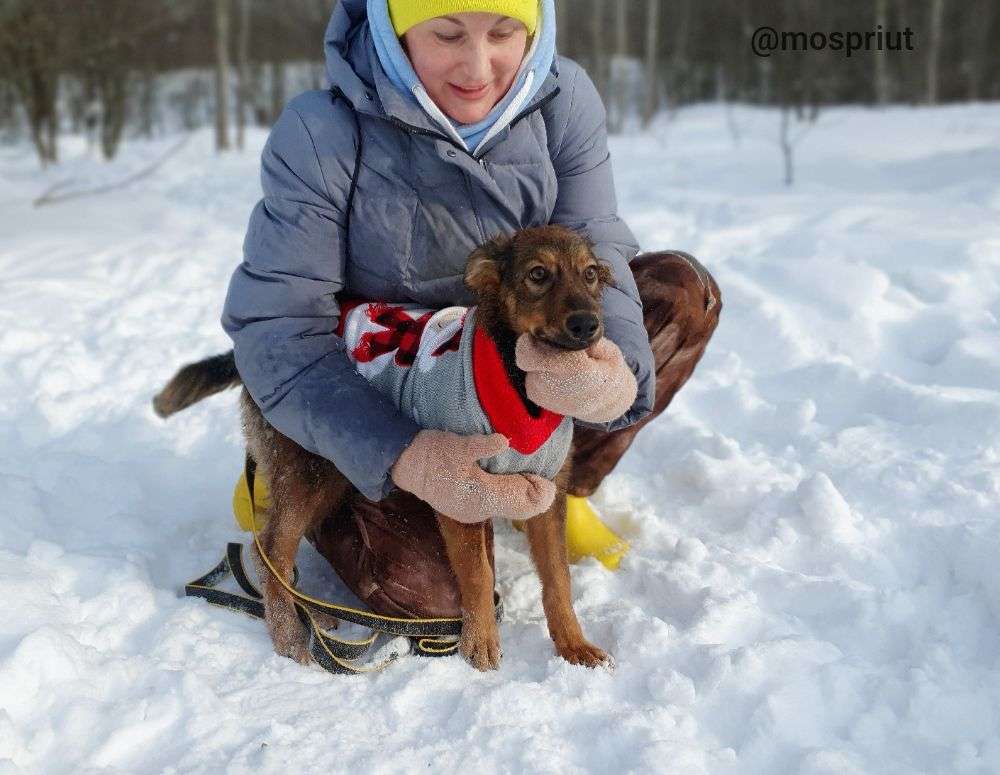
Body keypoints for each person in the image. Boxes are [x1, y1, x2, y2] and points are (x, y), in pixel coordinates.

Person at [221, 0, 722, 616]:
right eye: (448, 34)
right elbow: (281, 328)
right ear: (394, 31)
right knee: (432, 599)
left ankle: (558, 483)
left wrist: (614, 371)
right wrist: (400, 454)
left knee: (680, 293)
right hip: (391, 387)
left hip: (512, 358)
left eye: (505, 32)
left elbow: (600, 250)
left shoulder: (563, 101)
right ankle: (297, 479)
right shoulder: (322, 133)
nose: (478, 67)